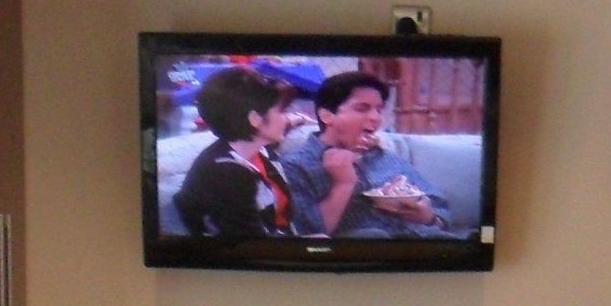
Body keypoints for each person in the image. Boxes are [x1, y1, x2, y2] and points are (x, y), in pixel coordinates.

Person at [279, 70, 450, 237]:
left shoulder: (381, 155)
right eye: (362, 108)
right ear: (327, 116)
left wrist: (430, 218)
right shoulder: (296, 166)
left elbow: (440, 205)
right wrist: (343, 184)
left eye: (379, 110)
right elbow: (307, 233)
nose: (376, 118)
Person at [171, 67, 295, 240]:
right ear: (255, 119)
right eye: (281, 111)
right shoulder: (226, 174)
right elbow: (252, 245)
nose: (287, 118)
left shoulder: (255, 148)